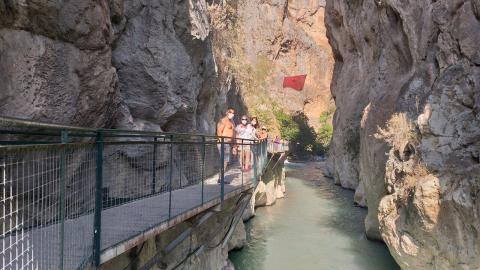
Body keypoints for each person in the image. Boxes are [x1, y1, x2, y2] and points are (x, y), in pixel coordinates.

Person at [216, 108, 237, 179]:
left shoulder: (232, 122)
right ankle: (220, 179)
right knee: (224, 160)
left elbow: (234, 134)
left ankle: (221, 178)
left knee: (226, 161)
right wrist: (221, 141)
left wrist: (234, 146)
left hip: (228, 143)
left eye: (233, 113)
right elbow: (219, 131)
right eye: (230, 112)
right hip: (223, 142)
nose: (232, 114)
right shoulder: (223, 120)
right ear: (226, 112)